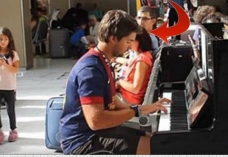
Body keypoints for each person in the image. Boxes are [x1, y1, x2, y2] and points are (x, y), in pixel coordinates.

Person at [60, 9, 171, 155]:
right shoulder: (90, 70)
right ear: (113, 39)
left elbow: (112, 100)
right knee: (150, 147)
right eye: (128, 41)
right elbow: (96, 121)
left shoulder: (103, 60)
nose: (130, 46)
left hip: (97, 132)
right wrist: (134, 111)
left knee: (151, 139)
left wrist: (141, 109)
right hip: (82, 141)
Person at [115, 28, 153, 105]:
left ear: (140, 41)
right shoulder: (142, 56)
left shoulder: (142, 60)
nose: (129, 45)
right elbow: (129, 63)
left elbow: (135, 88)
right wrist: (116, 59)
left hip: (128, 99)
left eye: (131, 41)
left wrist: (119, 82)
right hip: (125, 95)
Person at [0, 27, 20, 144]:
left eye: (5, 39)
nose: (2, 41)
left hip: (9, 86)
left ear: (10, 40)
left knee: (10, 110)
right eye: (0, 39)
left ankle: (13, 129)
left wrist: (5, 64)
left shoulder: (13, 54)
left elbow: (16, 69)